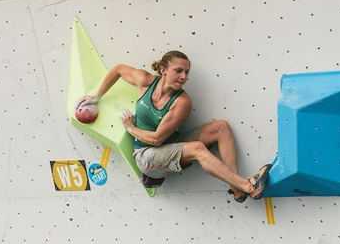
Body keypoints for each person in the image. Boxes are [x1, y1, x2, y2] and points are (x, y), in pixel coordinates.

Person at [76, 50, 271, 202]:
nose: (183, 76)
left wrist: (131, 128)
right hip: (146, 157)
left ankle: (238, 189)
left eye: (186, 72)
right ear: (163, 70)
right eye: (178, 71)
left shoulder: (182, 102)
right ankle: (248, 186)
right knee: (197, 148)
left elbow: (157, 138)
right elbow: (118, 69)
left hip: (164, 144)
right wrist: (96, 96)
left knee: (221, 127)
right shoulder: (144, 81)